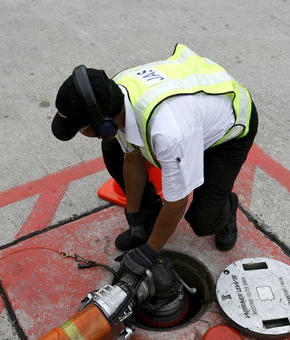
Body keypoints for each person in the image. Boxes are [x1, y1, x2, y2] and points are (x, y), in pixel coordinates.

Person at [51, 44, 258, 278]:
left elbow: (178, 202)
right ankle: (146, 222)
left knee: (203, 221)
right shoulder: (115, 97)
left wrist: (150, 252)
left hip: (229, 128)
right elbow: (132, 159)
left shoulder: (168, 132)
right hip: (192, 118)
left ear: (103, 123)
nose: (81, 133)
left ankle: (226, 208)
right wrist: (134, 214)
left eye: (80, 129)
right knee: (112, 148)